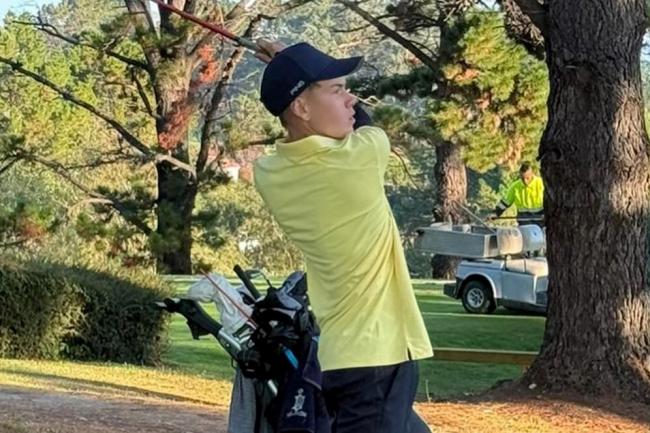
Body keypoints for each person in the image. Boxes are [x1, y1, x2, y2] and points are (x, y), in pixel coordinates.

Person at [252, 40, 433, 433]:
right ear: (301, 108)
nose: (352, 100)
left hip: (342, 356)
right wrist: (288, 60)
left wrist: (291, 69)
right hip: (377, 357)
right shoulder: (359, 160)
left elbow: (325, 129)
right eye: (337, 90)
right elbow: (368, 127)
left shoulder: (268, 174)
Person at [493, 162, 544, 226]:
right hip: (524, 222)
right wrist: (495, 214)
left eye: (527, 178)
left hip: (540, 220)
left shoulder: (541, 183)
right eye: (522, 178)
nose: (525, 181)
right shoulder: (515, 187)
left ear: (532, 174)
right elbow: (504, 203)